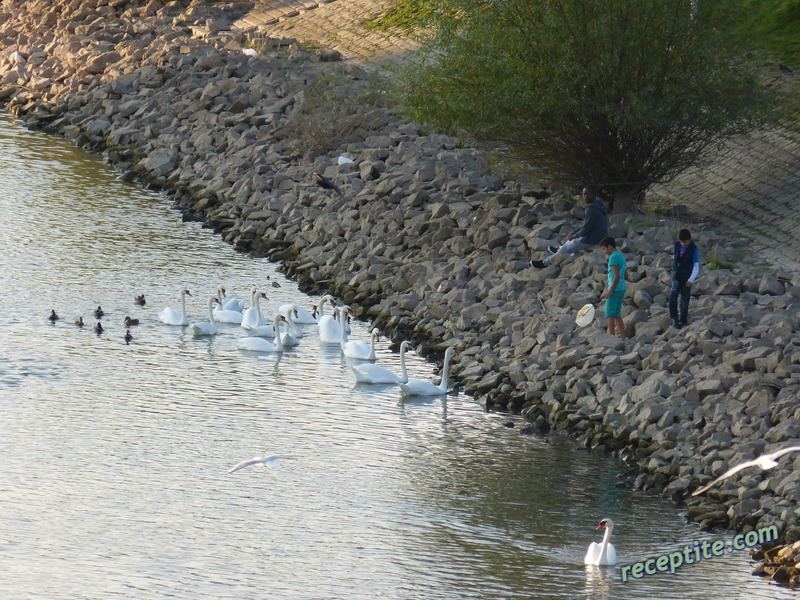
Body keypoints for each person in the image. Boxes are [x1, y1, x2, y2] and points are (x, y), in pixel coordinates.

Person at [531, 186, 608, 268]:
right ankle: (559, 249)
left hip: (593, 238)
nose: (585, 196)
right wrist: (574, 232)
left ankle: (545, 263)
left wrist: (575, 235)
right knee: (571, 239)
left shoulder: (591, 210)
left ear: (594, 195)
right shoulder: (599, 205)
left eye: (588, 194)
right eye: (584, 194)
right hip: (599, 235)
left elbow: (586, 228)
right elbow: (586, 224)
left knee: (568, 245)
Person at [669, 228, 699, 329]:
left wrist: (691, 279)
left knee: (685, 299)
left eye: (685, 242)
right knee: (673, 295)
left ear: (689, 240)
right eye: (681, 242)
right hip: (676, 275)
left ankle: (683, 319)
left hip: (687, 276)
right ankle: (674, 319)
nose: (683, 244)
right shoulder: (677, 245)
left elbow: (696, 266)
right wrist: (673, 270)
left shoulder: (694, 249)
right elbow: (675, 258)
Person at [600, 237, 626, 339]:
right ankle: (623, 337)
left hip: (615, 289)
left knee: (609, 315)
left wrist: (610, 291)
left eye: (604, 249)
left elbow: (616, 276)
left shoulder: (613, 258)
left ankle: (611, 339)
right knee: (617, 314)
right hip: (622, 288)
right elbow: (624, 271)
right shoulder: (620, 255)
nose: (603, 252)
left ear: (609, 247)